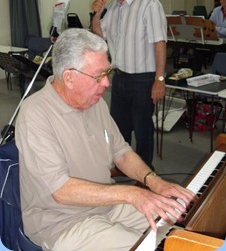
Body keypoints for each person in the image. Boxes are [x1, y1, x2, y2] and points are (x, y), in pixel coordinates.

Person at [15, 28, 196, 251]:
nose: (107, 84)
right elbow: (61, 191)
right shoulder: (35, 114)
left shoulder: (95, 102)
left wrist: (154, 181)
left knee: (181, 229)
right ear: (69, 78)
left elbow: (121, 152)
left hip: (107, 206)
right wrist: (132, 194)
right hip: (61, 224)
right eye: (99, 76)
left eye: (107, 73)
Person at [91, 0, 167, 169]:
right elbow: (99, 38)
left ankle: (145, 174)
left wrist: (159, 79)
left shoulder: (149, 4)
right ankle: (123, 168)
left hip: (143, 80)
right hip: (120, 78)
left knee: (143, 131)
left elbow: (159, 42)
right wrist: (96, 16)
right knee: (119, 128)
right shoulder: (114, 8)